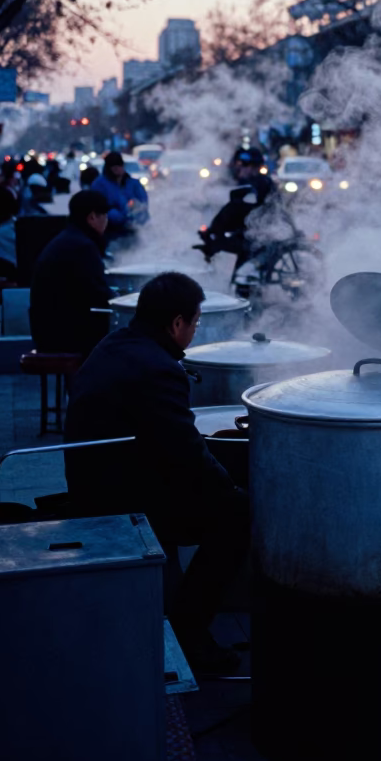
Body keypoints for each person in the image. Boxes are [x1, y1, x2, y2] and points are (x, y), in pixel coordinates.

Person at [64, 272, 249, 674]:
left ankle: (181, 616)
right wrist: (231, 489)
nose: (195, 330)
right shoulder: (158, 367)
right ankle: (189, 634)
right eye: (196, 322)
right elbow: (186, 451)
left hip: (95, 479)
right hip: (120, 498)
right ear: (177, 322)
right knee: (238, 517)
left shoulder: (115, 343)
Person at [29, 189, 112, 359]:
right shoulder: (83, 247)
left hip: (47, 330)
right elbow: (99, 295)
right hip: (64, 336)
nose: (107, 220)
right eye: (105, 215)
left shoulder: (68, 238)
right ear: (92, 217)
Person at [92, 150, 149, 242]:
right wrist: (115, 216)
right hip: (110, 232)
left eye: (119, 166)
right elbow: (97, 207)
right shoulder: (99, 185)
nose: (117, 169)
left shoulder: (133, 184)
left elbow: (143, 203)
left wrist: (138, 214)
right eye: (113, 166)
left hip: (134, 229)